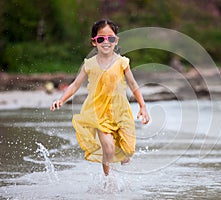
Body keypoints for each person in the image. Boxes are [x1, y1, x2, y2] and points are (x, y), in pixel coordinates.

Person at [50, 19, 150, 176]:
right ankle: (108, 181)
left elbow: (133, 84)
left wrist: (142, 106)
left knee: (128, 151)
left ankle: (123, 162)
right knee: (108, 149)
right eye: (101, 38)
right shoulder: (89, 64)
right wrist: (61, 100)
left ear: (116, 40)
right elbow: (75, 85)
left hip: (120, 111)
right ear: (94, 42)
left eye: (110, 38)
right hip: (98, 112)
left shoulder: (122, 62)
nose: (106, 42)